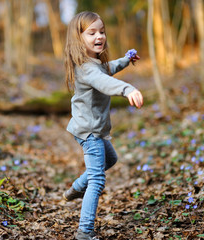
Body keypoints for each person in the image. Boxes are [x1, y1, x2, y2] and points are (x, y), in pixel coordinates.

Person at [63, 11, 143, 240]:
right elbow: (104, 82)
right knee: (97, 180)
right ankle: (84, 232)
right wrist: (128, 89)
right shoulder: (87, 68)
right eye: (92, 33)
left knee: (110, 160)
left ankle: (77, 187)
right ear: (79, 38)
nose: (99, 36)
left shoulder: (93, 63)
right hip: (89, 132)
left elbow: (107, 70)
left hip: (89, 129)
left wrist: (126, 61)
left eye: (101, 31)